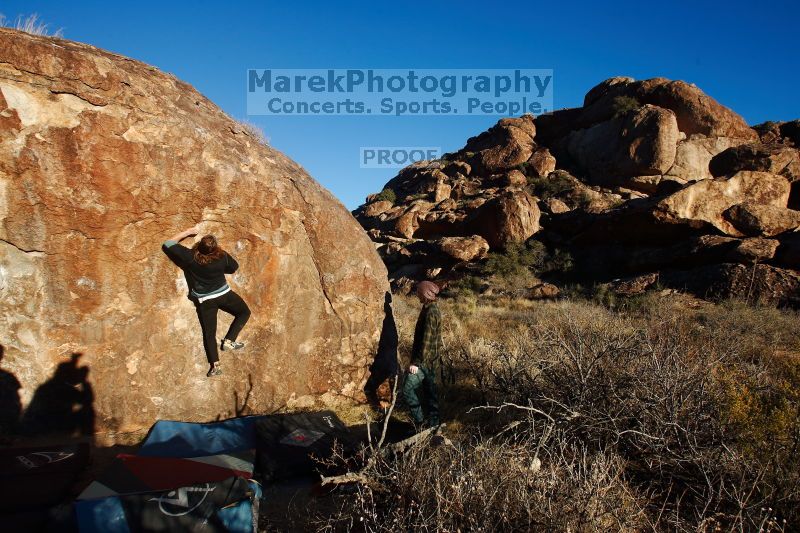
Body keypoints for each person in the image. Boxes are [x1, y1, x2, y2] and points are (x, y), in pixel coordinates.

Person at [162, 225, 251, 377]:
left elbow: (168, 243)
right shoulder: (221, 256)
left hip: (205, 300)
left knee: (209, 333)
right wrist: (221, 253)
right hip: (224, 295)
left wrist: (188, 232)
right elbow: (233, 267)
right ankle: (229, 341)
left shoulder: (190, 256)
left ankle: (215, 365)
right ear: (215, 248)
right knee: (244, 312)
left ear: (200, 246)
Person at [402, 280, 442, 429]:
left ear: (425, 294)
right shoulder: (429, 309)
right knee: (430, 395)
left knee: (407, 389)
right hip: (430, 361)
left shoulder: (431, 312)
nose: (417, 294)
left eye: (419, 292)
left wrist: (416, 363)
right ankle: (433, 426)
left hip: (425, 362)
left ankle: (421, 423)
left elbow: (427, 340)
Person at [363, 292, 400, 411]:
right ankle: (383, 404)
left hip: (386, 354)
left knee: (383, 376)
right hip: (388, 353)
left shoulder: (386, 315)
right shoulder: (387, 314)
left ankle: (383, 405)